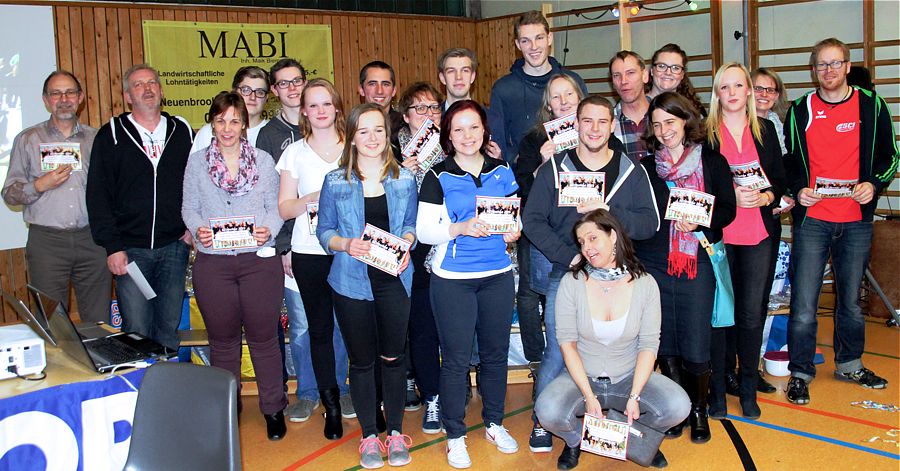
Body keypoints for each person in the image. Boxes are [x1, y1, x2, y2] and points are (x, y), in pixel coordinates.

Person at [522, 95, 659, 453]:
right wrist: (569, 256)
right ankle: (543, 421)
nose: (594, 128)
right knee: (558, 350)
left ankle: (613, 417)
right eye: (587, 121)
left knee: (621, 347)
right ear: (576, 125)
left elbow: (650, 222)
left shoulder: (631, 170)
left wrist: (608, 208)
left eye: (602, 121)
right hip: (568, 275)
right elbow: (531, 220)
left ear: (612, 126)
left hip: (621, 276)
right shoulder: (555, 168)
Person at [783, 38, 898, 405]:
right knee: (803, 303)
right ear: (813, 70)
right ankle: (800, 372)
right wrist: (798, 190)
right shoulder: (800, 109)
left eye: (835, 64)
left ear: (847, 67)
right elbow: (786, 162)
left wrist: (874, 184)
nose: (829, 71)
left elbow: (891, 157)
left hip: (856, 221)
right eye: (822, 65)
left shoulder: (872, 105)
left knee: (849, 301)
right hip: (812, 221)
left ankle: (849, 364)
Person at [535, 209, 689, 470]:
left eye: (593, 238)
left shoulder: (645, 284)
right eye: (582, 242)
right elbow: (567, 344)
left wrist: (635, 396)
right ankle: (576, 441)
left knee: (678, 406)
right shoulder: (571, 283)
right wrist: (588, 395)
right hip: (582, 377)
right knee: (547, 411)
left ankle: (641, 441)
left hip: (629, 376)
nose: (586, 248)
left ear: (613, 236)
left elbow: (649, 346)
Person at [417, 100, 521, 469]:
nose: (467, 136)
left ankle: (494, 423)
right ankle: (455, 436)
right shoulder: (438, 175)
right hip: (454, 280)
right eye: (458, 129)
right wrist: (460, 227)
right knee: (457, 361)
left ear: (484, 130)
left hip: (497, 276)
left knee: (495, 357)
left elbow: (514, 217)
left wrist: (513, 231)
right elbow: (427, 231)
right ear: (448, 134)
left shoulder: (502, 169)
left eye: (473, 127)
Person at [316, 103, 418, 469]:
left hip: (394, 280)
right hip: (350, 282)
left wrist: (406, 242)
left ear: (387, 134)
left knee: (393, 359)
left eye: (378, 130)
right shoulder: (335, 181)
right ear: (352, 137)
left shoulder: (405, 178)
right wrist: (346, 244)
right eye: (364, 131)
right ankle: (369, 437)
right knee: (361, 363)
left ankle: (394, 433)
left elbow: (411, 225)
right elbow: (323, 230)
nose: (372, 138)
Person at [182, 91, 286, 440]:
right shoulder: (197, 162)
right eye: (221, 119)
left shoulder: (264, 161)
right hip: (214, 264)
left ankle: (273, 408)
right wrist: (198, 231)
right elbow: (189, 207)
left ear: (245, 125)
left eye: (235, 120)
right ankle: (228, 408)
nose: (227, 127)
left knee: (264, 339)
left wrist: (267, 229)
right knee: (222, 342)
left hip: (258, 263)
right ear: (212, 122)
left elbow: (276, 209)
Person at [634, 91, 736, 443]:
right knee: (665, 342)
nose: (664, 131)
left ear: (685, 121)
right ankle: (676, 410)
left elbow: (728, 211)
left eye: (670, 122)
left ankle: (698, 409)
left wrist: (701, 221)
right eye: (657, 124)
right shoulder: (646, 169)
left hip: (697, 261)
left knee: (696, 340)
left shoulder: (712, 161)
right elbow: (636, 215)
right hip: (655, 263)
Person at [257, 60, 354, 424]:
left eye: (325, 103)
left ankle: (344, 389)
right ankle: (324, 396)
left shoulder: (355, 149)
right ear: (304, 111)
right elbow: (283, 209)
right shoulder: (293, 153)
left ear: (336, 107)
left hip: (348, 250)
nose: (319, 110)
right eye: (312, 105)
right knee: (315, 327)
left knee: (348, 325)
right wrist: (316, 197)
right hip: (308, 253)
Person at [86, 64, 193, 350]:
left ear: (161, 90)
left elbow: (196, 182)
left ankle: (165, 392)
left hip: (174, 247)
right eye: (138, 85)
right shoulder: (111, 134)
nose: (147, 89)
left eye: (152, 83)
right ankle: (141, 392)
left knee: (169, 326)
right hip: (130, 252)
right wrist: (112, 246)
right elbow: (97, 195)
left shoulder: (180, 130)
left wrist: (190, 227)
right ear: (128, 96)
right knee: (137, 329)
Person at [705, 63, 786, 420]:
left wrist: (767, 198)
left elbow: (779, 180)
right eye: (726, 87)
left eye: (740, 85)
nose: (733, 92)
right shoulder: (706, 134)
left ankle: (749, 386)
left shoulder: (766, 130)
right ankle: (719, 389)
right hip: (720, 235)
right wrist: (731, 196)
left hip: (758, 233)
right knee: (722, 317)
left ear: (750, 91)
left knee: (751, 315)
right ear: (717, 94)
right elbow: (701, 184)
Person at [2, 70, 110, 323]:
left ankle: (96, 364)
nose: (64, 99)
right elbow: (9, 193)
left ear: (80, 98)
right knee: (51, 321)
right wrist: (39, 185)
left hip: (92, 241)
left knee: (98, 320)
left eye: (70, 92)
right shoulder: (28, 139)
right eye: (56, 93)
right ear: (45, 99)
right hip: (47, 242)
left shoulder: (96, 139)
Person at [515, 73, 586, 381]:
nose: (563, 102)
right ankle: (537, 362)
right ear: (548, 105)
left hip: (583, 230)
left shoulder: (593, 133)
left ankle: (576, 363)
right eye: (556, 97)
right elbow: (522, 188)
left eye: (568, 95)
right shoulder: (534, 139)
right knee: (532, 295)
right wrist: (543, 163)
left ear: (579, 98)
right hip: (542, 230)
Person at [394, 81, 446, 431]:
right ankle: (412, 381)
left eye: (433, 108)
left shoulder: (455, 147)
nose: (427, 115)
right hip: (402, 248)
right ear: (405, 115)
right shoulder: (389, 152)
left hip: (440, 247)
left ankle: (433, 396)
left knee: (428, 326)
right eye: (419, 109)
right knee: (406, 323)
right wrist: (402, 171)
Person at [488, 10, 588, 165]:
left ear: (549, 38)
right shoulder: (503, 89)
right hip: (525, 181)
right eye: (526, 41)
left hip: (574, 176)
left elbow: (588, 126)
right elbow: (498, 145)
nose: (533, 47)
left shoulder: (573, 81)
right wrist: (522, 161)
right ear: (517, 44)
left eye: (539, 38)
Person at [190, 66, 270, 153]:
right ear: (234, 92)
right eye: (246, 90)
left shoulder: (273, 134)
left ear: (266, 97)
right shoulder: (207, 133)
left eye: (260, 92)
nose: (253, 97)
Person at [609, 51, 652, 162]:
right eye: (617, 75)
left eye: (630, 73)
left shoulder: (664, 117)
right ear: (612, 82)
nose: (623, 81)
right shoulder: (606, 125)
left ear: (645, 76)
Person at [645, 44, 707, 117]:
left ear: (682, 75)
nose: (668, 72)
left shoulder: (694, 110)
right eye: (661, 66)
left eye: (675, 68)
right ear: (652, 71)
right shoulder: (636, 106)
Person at [359, 61, 404, 137]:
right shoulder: (353, 126)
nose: (379, 91)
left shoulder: (405, 126)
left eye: (385, 84)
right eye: (372, 84)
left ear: (394, 91)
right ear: (361, 90)